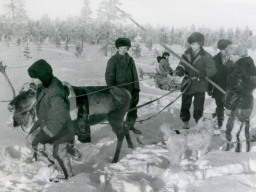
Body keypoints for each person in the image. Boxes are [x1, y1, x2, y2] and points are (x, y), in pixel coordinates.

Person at [28, 59, 75, 182]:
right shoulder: (45, 85)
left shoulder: (55, 90)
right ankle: (57, 162)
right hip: (48, 124)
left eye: (35, 78)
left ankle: (66, 176)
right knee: (39, 146)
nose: (33, 80)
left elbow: (60, 115)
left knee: (57, 153)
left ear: (43, 76)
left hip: (60, 129)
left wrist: (47, 133)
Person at [176, 32, 216, 129]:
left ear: (200, 43)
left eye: (195, 44)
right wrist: (180, 69)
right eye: (191, 44)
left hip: (200, 84)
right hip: (187, 83)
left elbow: (213, 69)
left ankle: (199, 122)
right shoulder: (186, 54)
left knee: (198, 106)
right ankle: (185, 122)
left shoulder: (206, 56)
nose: (193, 46)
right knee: (185, 104)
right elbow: (181, 64)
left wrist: (205, 72)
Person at [105, 37, 141, 135]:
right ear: (117, 48)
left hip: (131, 89)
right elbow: (109, 77)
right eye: (122, 47)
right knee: (118, 109)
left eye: (126, 47)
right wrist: (113, 90)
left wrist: (136, 89)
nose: (124, 49)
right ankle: (117, 128)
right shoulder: (113, 60)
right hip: (118, 90)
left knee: (132, 108)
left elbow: (135, 75)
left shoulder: (130, 60)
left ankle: (130, 126)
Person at [224, 44, 256, 152]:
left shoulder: (238, 67)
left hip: (238, 105)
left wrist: (229, 106)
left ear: (237, 55)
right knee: (242, 130)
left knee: (234, 131)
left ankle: (233, 157)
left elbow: (238, 90)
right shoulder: (250, 65)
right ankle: (243, 153)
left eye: (231, 55)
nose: (230, 58)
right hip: (247, 103)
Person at [208, 39, 232, 129]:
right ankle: (220, 123)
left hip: (230, 88)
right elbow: (211, 75)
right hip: (219, 86)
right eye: (221, 49)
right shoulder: (215, 59)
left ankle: (230, 125)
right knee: (219, 105)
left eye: (225, 49)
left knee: (231, 106)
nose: (223, 51)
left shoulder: (234, 58)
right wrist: (209, 88)